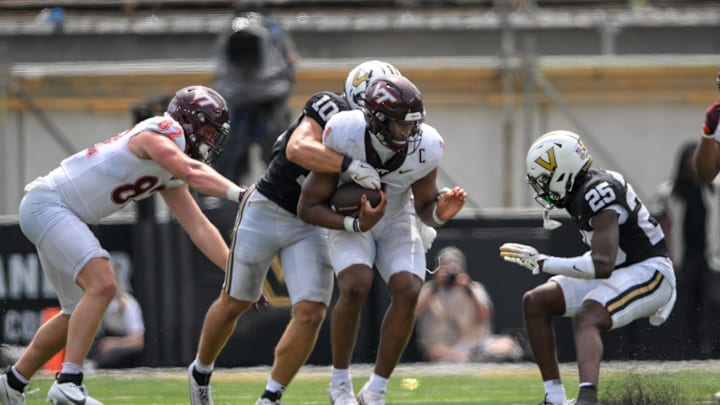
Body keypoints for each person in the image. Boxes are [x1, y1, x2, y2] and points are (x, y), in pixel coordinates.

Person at [0, 85, 245, 405]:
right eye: (210, 130)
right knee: (102, 284)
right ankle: (68, 382)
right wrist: (240, 194)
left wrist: (238, 273)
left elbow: (198, 225)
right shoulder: (162, 132)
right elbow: (190, 171)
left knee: (74, 313)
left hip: (54, 210)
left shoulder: (172, 166)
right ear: (190, 120)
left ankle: (11, 385)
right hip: (50, 205)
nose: (212, 141)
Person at [186, 60, 400, 405]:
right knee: (235, 301)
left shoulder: (386, 136)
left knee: (313, 311)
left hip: (311, 222)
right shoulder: (329, 107)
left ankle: (271, 398)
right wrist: (349, 165)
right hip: (268, 207)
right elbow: (296, 149)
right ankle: (201, 371)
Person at [297, 75, 467, 405]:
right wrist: (354, 221)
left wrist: (441, 213)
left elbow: (425, 210)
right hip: (352, 220)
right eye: (401, 126)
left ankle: (376, 389)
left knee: (408, 289)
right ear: (375, 120)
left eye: (413, 126)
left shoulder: (427, 146)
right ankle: (340, 382)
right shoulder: (343, 133)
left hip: (397, 218)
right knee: (355, 285)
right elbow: (308, 206)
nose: (410, 134)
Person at [499, 130, 676, 405]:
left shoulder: (598, 191)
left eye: (544, 180)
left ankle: (587, 398)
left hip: (650, 270)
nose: (541, 188)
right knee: (536, 302)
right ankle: (554, 399)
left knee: (587, 315)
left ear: (563, 172)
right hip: (622, 269)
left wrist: (543, 262)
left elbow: (602, 264)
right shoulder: (580, 190)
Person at [210, 0, 298, 184]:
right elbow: (290, 61)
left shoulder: (230, 27)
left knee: (230, 158)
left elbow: (220, 67)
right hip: (270, 98)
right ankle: (283, 194)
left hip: (236, 99)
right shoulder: (273, 27)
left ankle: (226, 200)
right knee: (278, 157)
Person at [652, 141, 720, 358]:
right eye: (688, 159)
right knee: (688, 305)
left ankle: (712, 350)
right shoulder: (669, 192)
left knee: (712, 303)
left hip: (712, 257)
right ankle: (691, 351)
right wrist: (669, 256)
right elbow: (665, 226)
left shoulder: (715, 188)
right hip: (685, 256)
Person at [415, 246, 524, 363]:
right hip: (444, 347)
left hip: (474, 344)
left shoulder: (474, 288)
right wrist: (435, 288)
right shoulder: (428, 289)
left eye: (453, 267)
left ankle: (473, 359)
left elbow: (484, 316)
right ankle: (472, 360)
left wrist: (468, 290)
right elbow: (414, 314)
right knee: (435, 352)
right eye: (444, 267)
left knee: (507, 344)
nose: (449, 272)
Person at [89, 287, 145, 369]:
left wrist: (114, 343)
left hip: (121, 347)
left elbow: (138, 342)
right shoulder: (96, 303)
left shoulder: (129, 304)